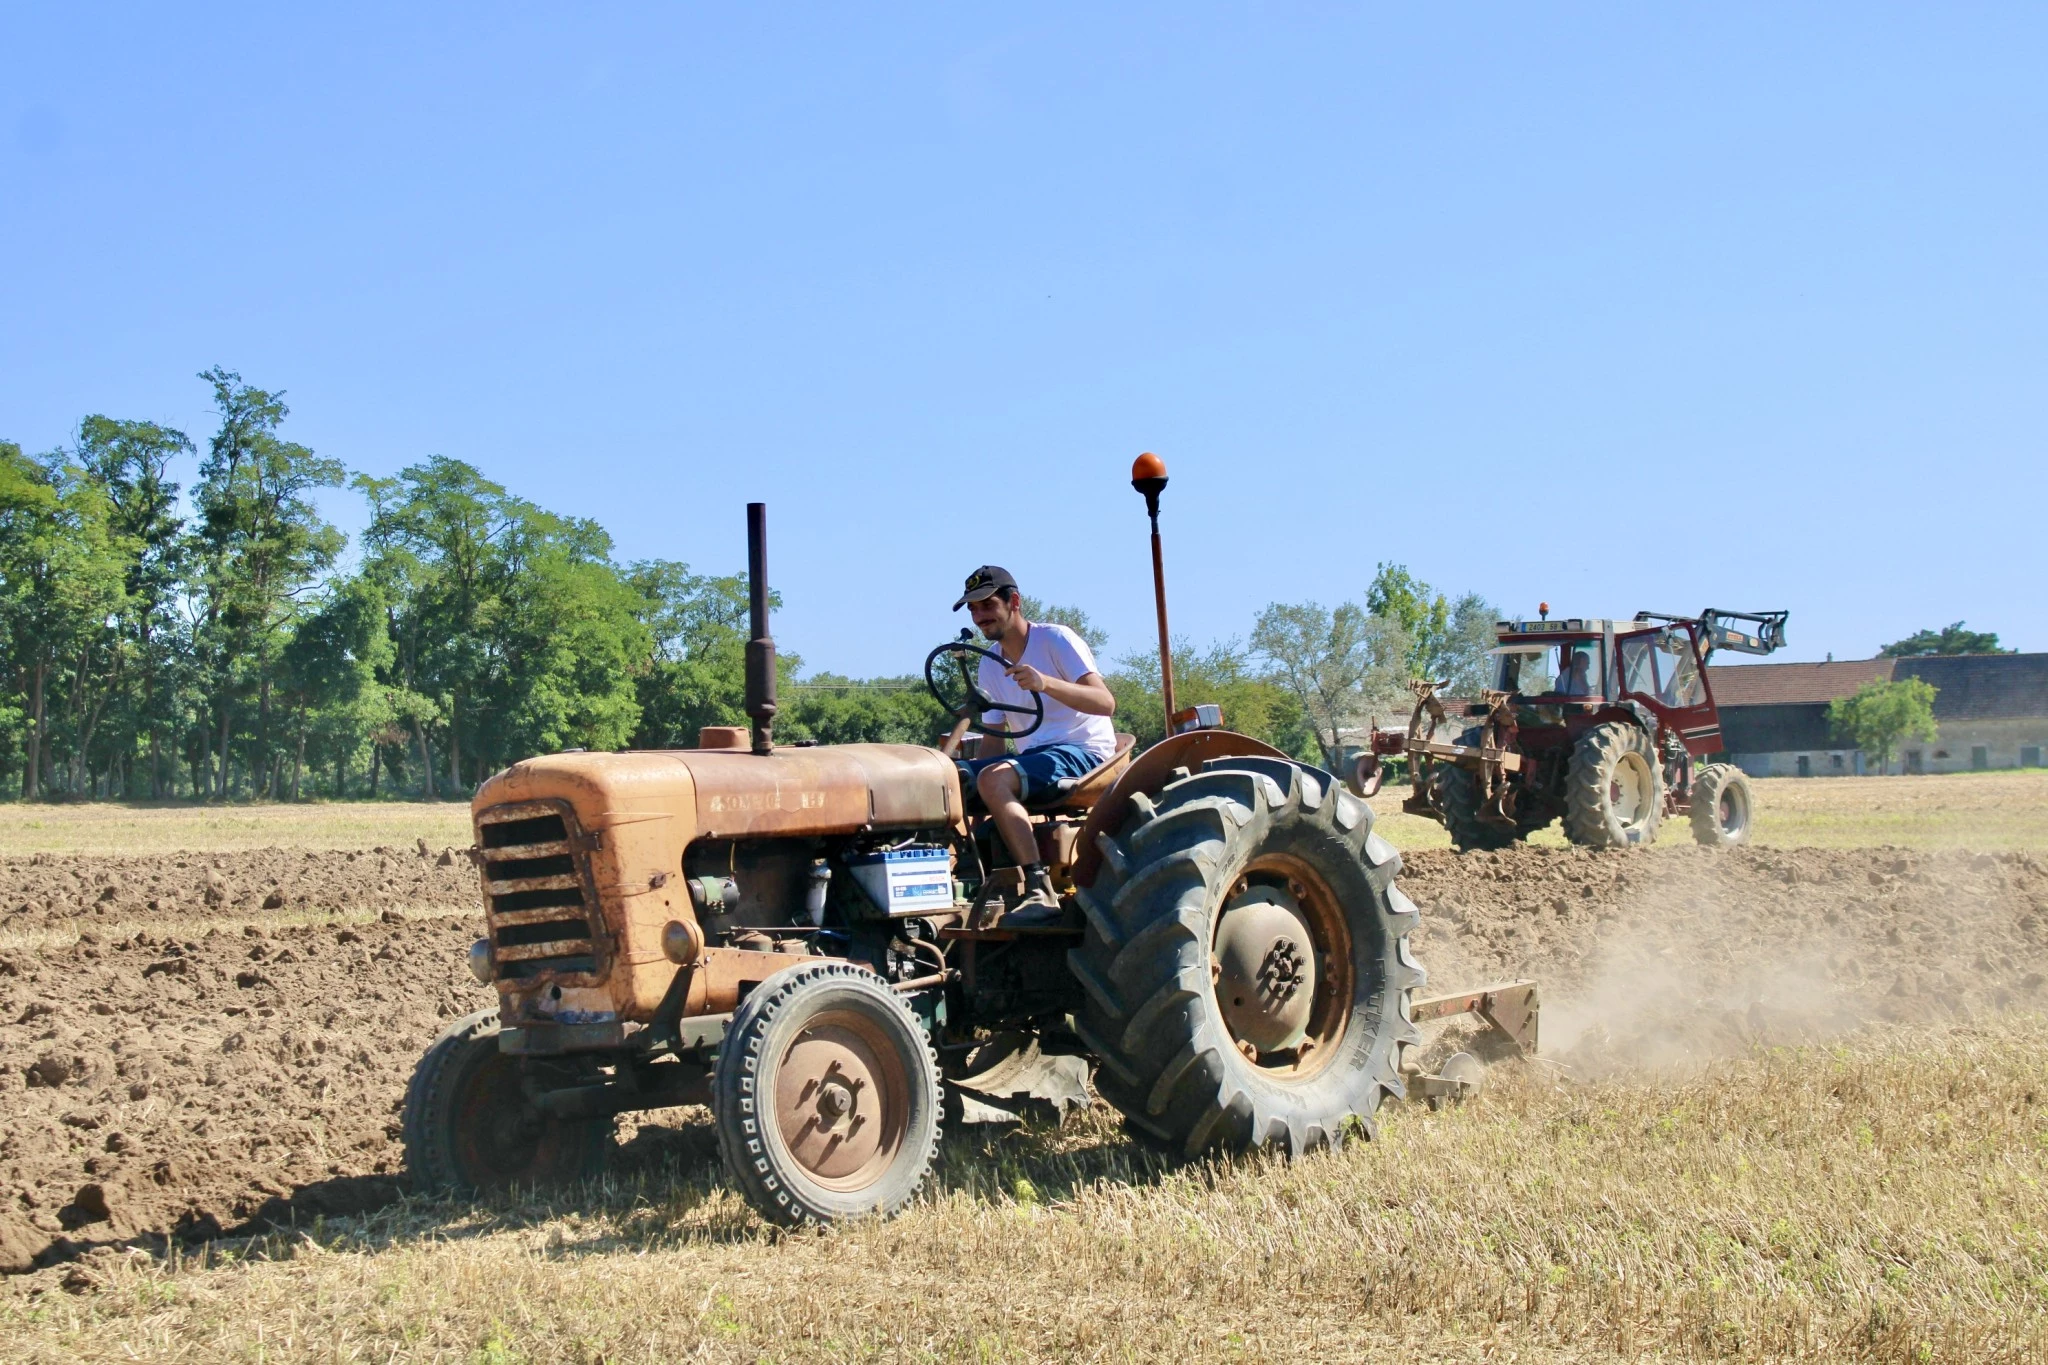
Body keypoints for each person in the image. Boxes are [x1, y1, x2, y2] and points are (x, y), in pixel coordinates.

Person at [949, 565, 1117, 927]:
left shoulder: (1055, 640)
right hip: (1034, 757)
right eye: (973, 609)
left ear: (1015, 602)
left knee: (995, 778)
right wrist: (974, 798)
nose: (980, 616)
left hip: (1083, 752)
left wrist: (1046, 684)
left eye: (987, 605)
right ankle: (961, 875)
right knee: (946, 776)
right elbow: (994, 740)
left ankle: (1039, 889)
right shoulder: (990, 666)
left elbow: (1105, 703)